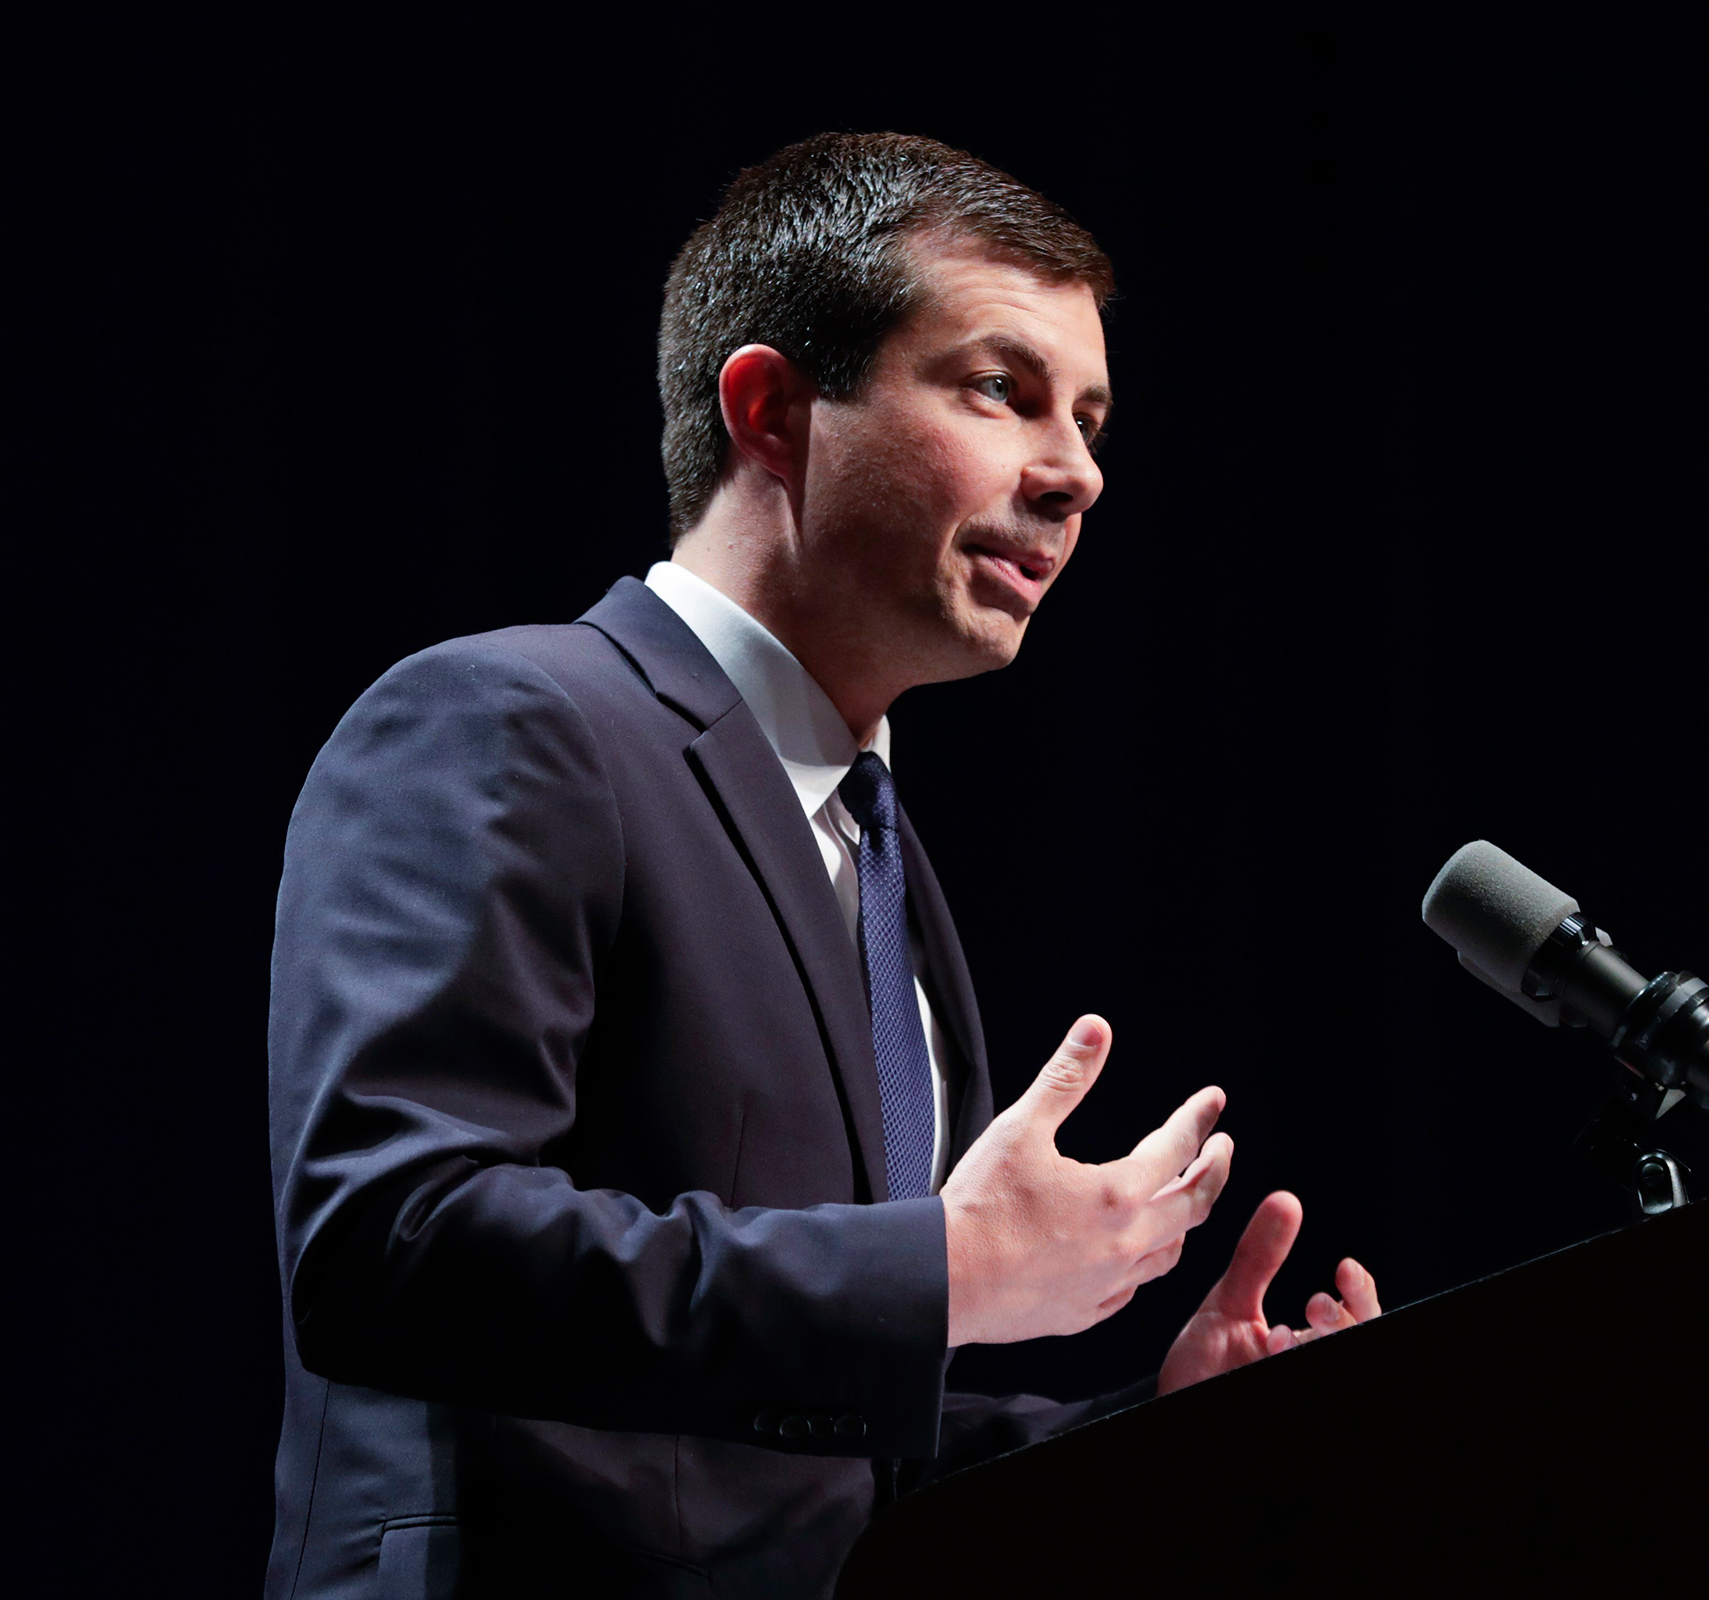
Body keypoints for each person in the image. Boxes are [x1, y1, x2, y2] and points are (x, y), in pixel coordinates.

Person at [264, 132, 1380, 1600]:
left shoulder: (878, 857)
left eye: (1093, 419)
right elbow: (391, 1245)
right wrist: (949, 1274)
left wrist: (1159, 1430)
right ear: (772, 409)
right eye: (1003, 389)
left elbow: (829, 1451)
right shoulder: (510, 722)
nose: (1078, 475)